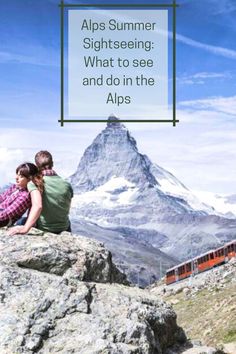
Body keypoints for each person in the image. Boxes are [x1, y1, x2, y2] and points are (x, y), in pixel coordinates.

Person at [9, 151, 73, 235]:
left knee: (20, 221)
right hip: (64, 228)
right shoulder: (67, 184)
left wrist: (25, 229)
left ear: (36, 166)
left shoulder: (34, 183)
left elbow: (37, 206)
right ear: (52, 163)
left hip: (44, 228)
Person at [1, 163, 43, 229]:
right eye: (17, 174)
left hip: (4, 219)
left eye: (21, 176)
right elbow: (1, 197)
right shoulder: (15, 187)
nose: (16, 178)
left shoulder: (25, 196)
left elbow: (8, 213)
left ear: (29, 179)